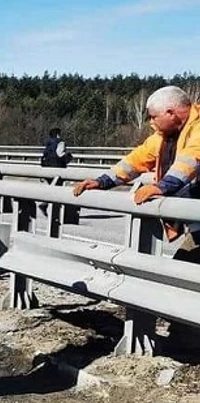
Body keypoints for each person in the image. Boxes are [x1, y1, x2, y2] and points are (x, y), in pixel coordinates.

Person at [73, 85, 200, 346]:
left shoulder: (197, 131)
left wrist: (161, 187)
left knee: (184, 275)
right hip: (197, 224)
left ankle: (186, 336)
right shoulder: (166, 136)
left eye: (154, 117)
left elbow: (190, 160)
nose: (151, 123)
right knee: (183, 275)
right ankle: (186, 336)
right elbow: (136, 160)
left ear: (172, 112)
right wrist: (103, 181)